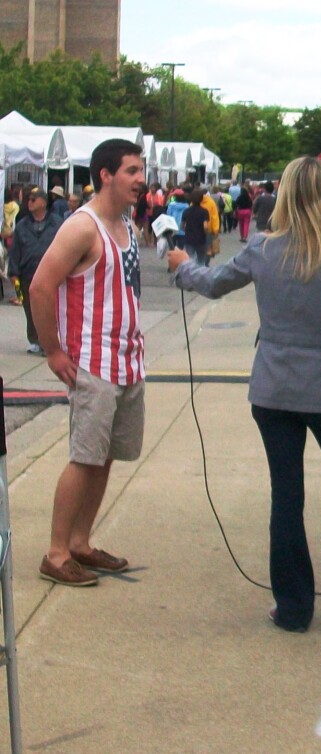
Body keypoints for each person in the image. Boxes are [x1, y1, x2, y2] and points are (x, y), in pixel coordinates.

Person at [166, 156, 321, 631]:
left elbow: (215, 283)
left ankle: (294, 608)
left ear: (283, 195)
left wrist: (183, 268)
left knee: (287, 496)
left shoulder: (263, 249)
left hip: (274, 389)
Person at [28, 138, 146, 587]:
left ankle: (80, 543)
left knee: (105, 458)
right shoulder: (83, 227)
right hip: (93, 363)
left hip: (127, 360)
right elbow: (40, 286)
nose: (141, 179)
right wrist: (54, 350)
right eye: (132, 171)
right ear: (105, 175)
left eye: (141, 170)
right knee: (84, 457)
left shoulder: (127, 225)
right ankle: (56, 553)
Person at [8, 188, 64, 354]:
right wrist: (13, 272)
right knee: (30, 308)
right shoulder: (22, 225)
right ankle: (34, 340)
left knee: (51, 309)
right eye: (28, 199)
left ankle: (51, 342)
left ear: (43, 202)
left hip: (52, 274)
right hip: (27, 273)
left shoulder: (57, 223)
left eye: (33, 199)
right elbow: (15, 250)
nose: (29, 202)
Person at [182, 188, 210, 266]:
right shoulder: (204, 211)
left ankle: (190, 275)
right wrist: (207, 234)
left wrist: (187, 231)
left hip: (189, 238)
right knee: (201, 260)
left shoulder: (186, 211)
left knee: (189, 259)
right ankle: (201, 275)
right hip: (201, 239)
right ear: (201, 199)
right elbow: (205, 227)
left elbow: (182, 226)